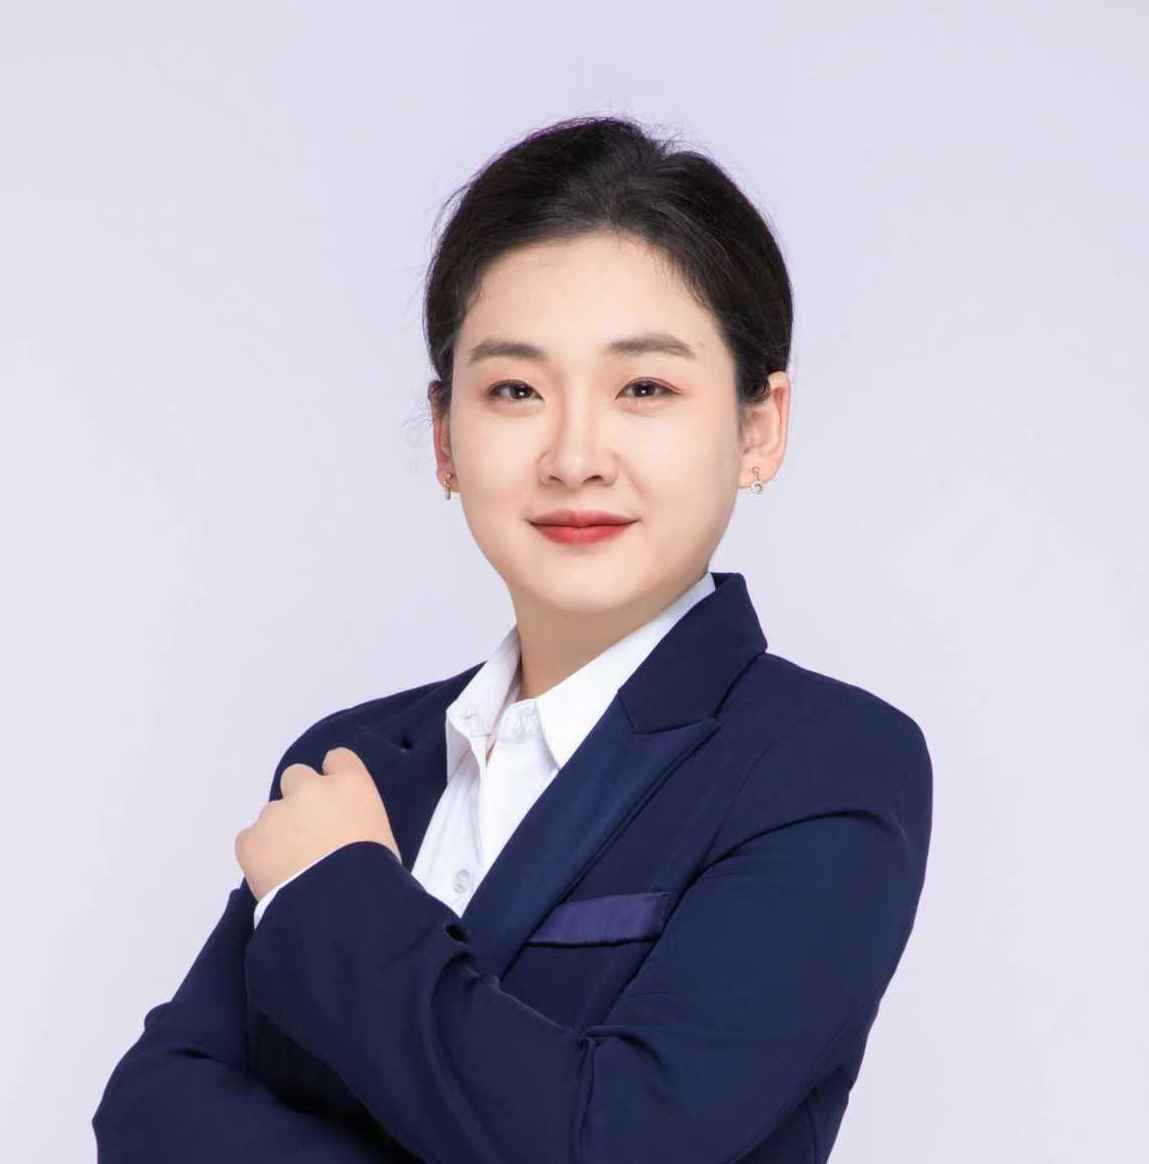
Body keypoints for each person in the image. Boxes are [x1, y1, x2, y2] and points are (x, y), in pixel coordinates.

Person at [92, 114, 932, 1163]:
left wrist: (339, 893)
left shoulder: (825, 767)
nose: (575, 456)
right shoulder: (353, 763)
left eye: (644, 388)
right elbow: (149, 1114)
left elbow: (617, 1146)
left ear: (758, 426)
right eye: (515, 390)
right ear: (447, 437)